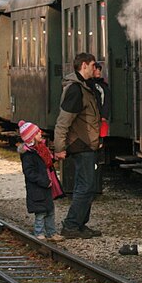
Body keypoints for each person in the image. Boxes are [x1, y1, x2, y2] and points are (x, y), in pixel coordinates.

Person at [54, 52, 103, 239]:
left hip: (87, 144)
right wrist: (59, 148)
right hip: (80, 144)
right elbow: (63, 121)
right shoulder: (75, 90)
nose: (95, 68)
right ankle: (71, 225)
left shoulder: (84, 87)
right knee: (85, 186)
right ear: (83, 65)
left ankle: (81, 224)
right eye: (92, 65)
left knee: (88, 186)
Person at [18, 120, 64, 241]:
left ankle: (51, 232)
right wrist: (43, 181)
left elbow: (46, 163)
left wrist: (54, 159)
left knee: (50, 210)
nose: (41, 134)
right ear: (31, 137)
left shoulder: (41, 149)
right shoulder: (28, 155)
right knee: (40, 212)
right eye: (38, 133)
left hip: (46, 185)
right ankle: (39, 233)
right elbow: (29, 173)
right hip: (38, 187)